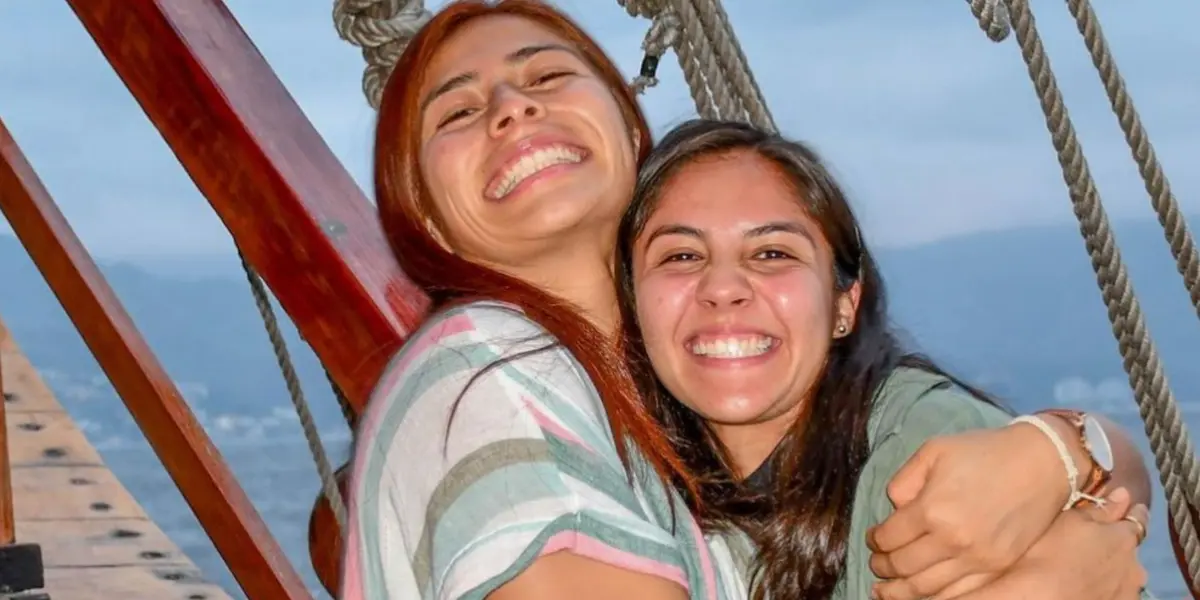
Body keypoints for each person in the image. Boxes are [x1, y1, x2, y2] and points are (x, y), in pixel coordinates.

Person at [339, 1, 1153, 598]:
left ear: (628, 131)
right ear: (423, 215)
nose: (512, 108)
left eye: (547, 76)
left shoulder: (661, 425)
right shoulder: (491, 371)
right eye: (458, 112)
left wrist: (1069, 450)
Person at [617, 118, 1153, 600]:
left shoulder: (928, 462)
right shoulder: (625, 486)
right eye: (681, 256)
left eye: (772, 253)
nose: (723, 288)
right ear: (631, 304)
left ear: (843, 305)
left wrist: (1071, 451)